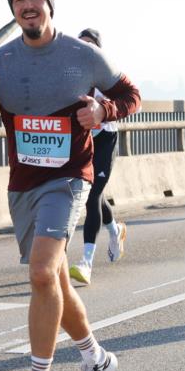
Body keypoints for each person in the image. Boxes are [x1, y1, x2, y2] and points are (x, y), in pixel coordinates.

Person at [0, 0, 141, 371]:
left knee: (40, 272)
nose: (28, 6)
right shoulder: (1, 61)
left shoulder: (84, 56)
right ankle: (96, 358)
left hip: (69, 178)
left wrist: (104, 111)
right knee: (54, 281)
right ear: (13, 11)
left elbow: (131, 95)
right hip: (24, 185)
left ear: (50, 6)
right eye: (20, 0)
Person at [69, 28, 129, 286]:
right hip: (82, 143)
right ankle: (115, 231)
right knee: (94, 196)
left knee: (92, 196)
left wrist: (104, 110)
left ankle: (86, 262)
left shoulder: (107, 76)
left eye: (90, 45)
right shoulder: (70, 77)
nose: (85, 50)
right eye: (80, 45)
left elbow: (128, 100)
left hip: (105, 140)